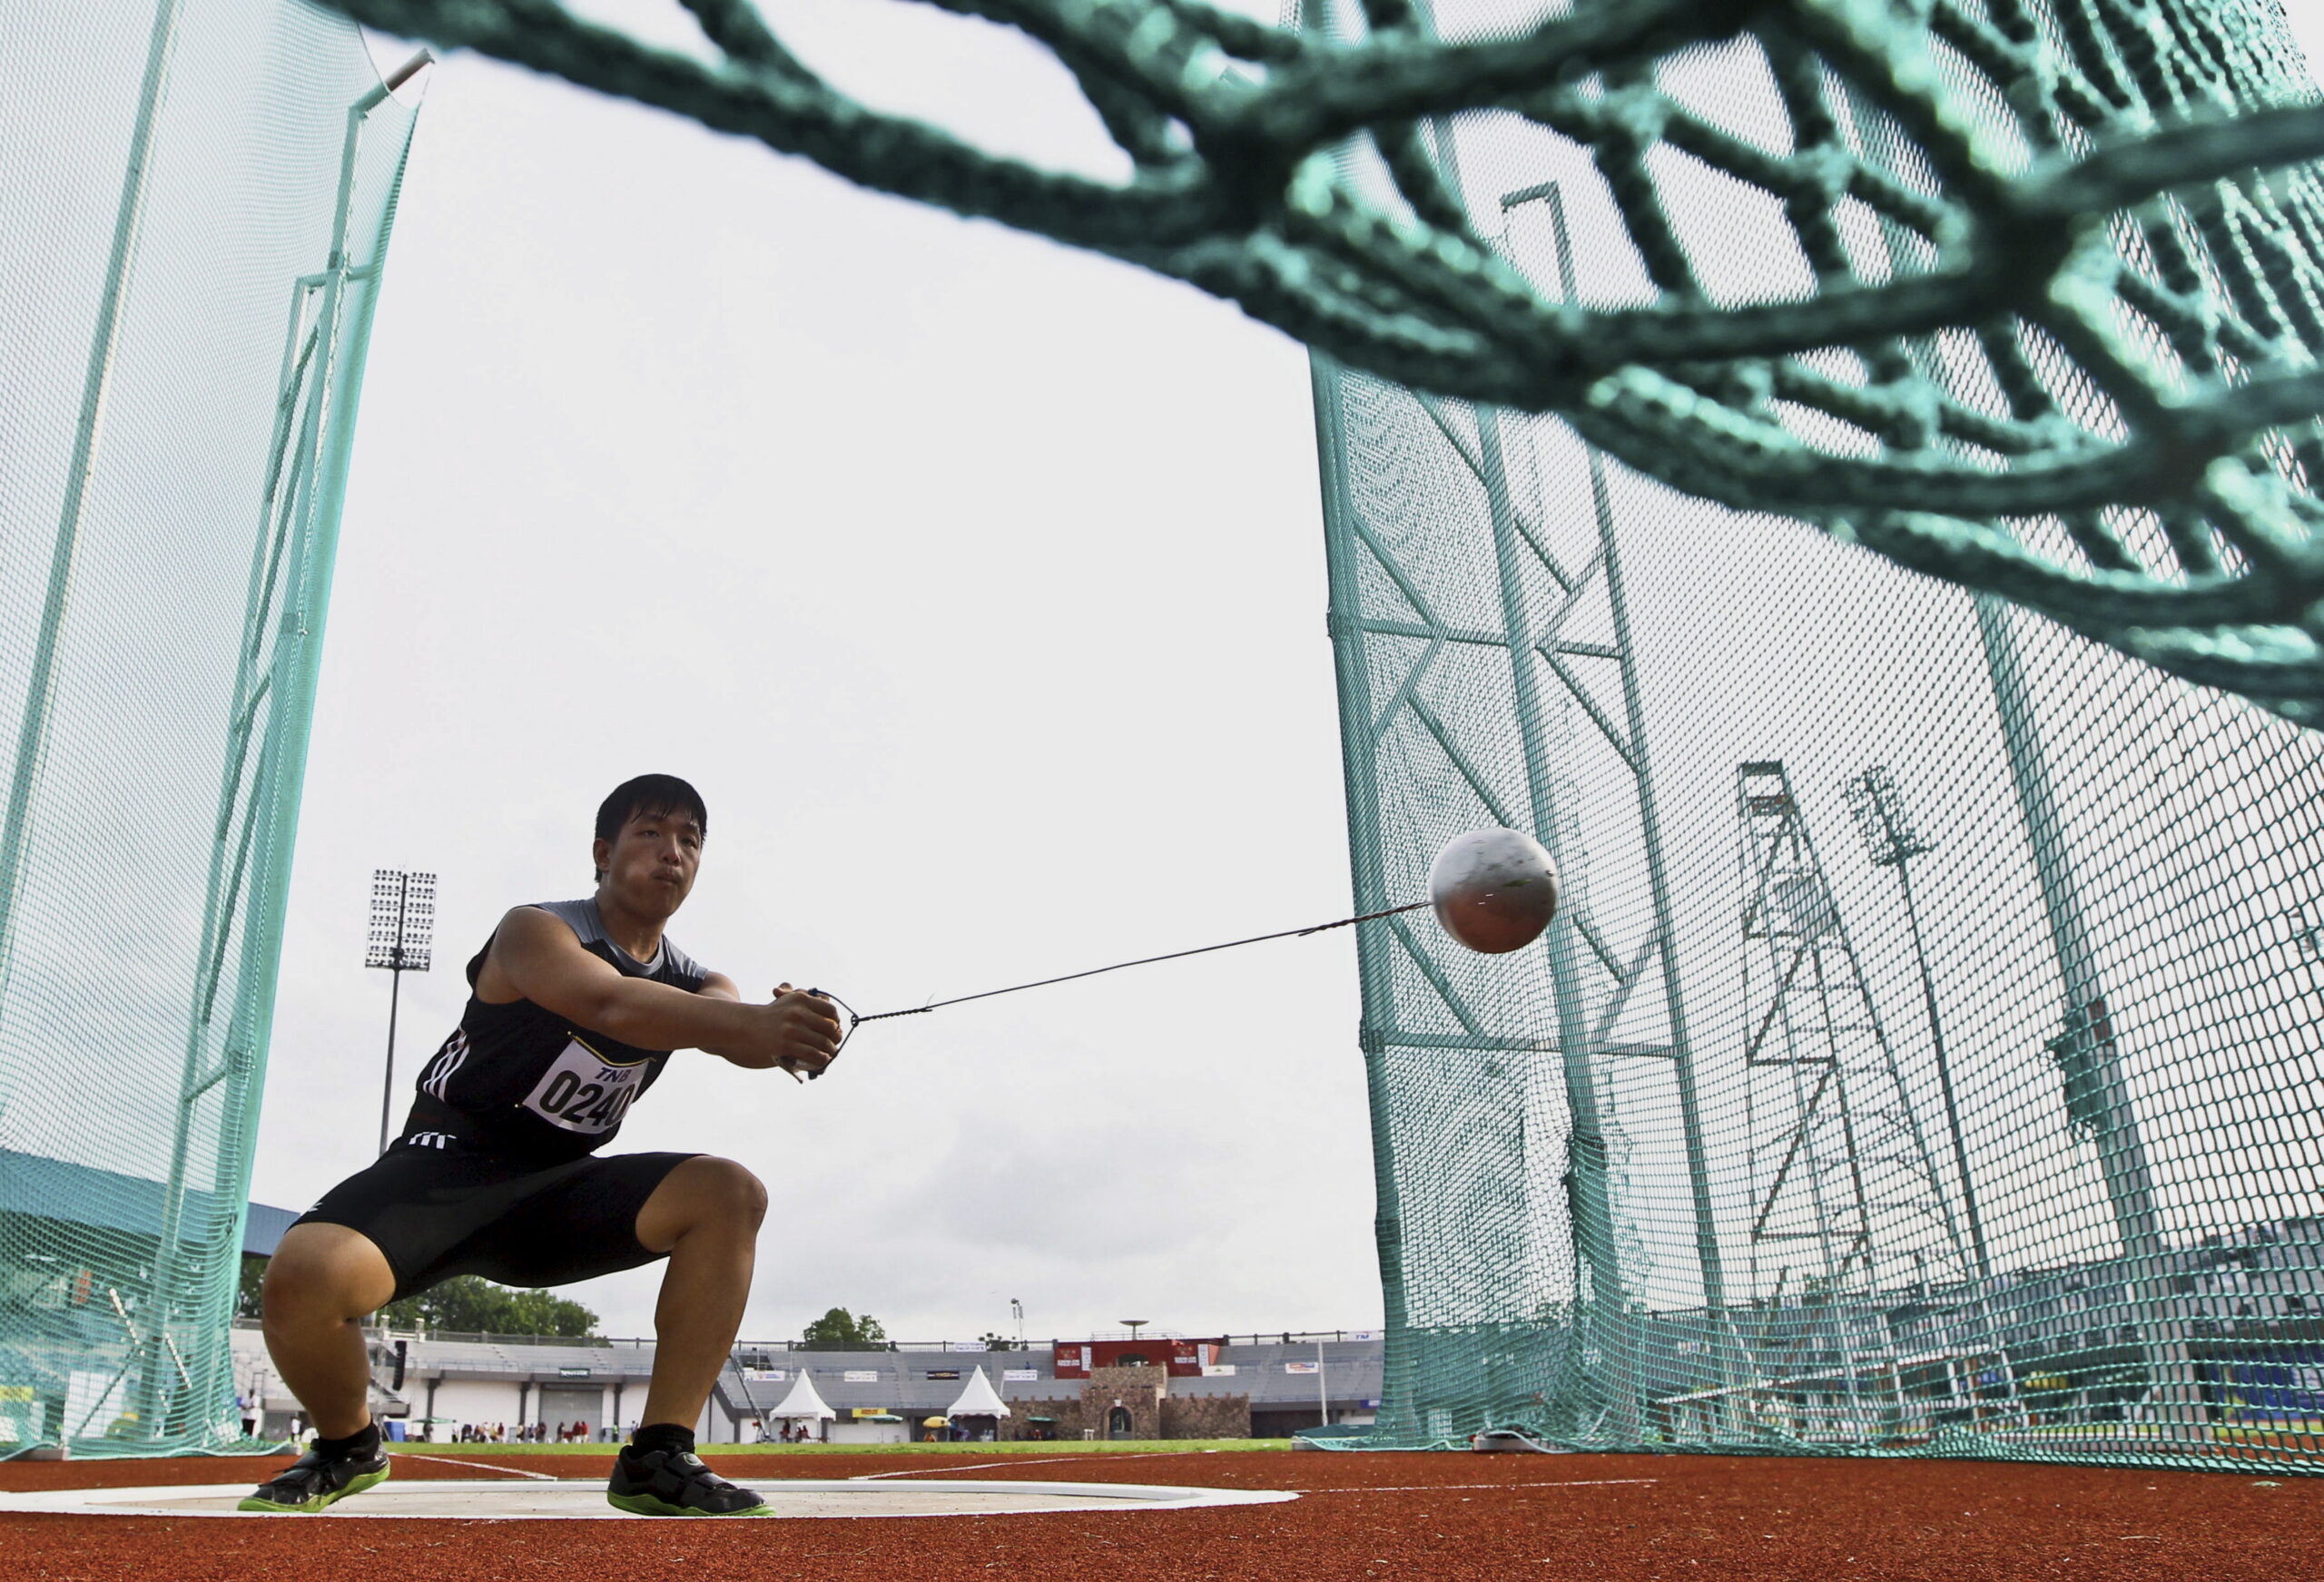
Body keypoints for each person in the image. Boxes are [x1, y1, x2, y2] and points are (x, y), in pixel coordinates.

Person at [239, 775, 844, 1516]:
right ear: (603, 851)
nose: (673, 852)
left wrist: (786, 1025)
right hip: (445, 1167)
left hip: (557, 1187)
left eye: (690, 840)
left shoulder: (698, 979)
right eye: (652, 832)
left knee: (730, 1191)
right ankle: (347, 1445)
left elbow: (724, 1024)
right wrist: (752, 1026)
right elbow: (608, 1000)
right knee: (303, 1275)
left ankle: (659, 1454)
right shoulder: (535, 929)